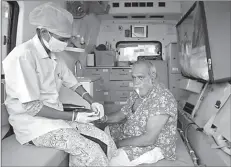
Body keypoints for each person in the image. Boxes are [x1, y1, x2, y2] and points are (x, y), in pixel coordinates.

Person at [2, 2, 117, 166]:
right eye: (62, 39)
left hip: (55, 119)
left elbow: (73, 83)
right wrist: (76, 116)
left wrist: (93, 102)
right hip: (33, 126)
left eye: (67, 39)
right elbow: (34, 108)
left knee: (104, 138)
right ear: (44, 32)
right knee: (90, 150)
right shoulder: (23, 57)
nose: (65, 44)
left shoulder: (54, 56)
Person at [99, 60, 178, 166]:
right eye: (133, 77)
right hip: (131, 134)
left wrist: (117, 144)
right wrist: (101, 118)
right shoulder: (137, 93)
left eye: (140, 77)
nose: (136, 82)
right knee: (104, 132)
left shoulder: (162, 98)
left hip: (153, 145)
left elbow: (148, 139)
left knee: (113, 160)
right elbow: (121, 114)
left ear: (152, 76)